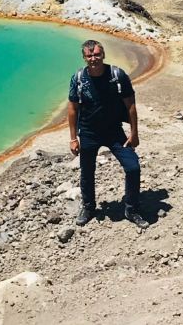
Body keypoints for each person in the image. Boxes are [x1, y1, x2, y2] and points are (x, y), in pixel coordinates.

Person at [67, 39, 148, 229]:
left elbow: (131, 105)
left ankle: (132, 209)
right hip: (88, 131)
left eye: (96, 54)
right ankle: (88, 207)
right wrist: (73, 138)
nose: (93, 58)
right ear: (84, 57)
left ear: (103, 55)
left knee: (133, 167)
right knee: (87, 172)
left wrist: (134, 133)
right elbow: (72, 108)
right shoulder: (78, 78)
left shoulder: (117, 75)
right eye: (89, 55)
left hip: (114, 131)